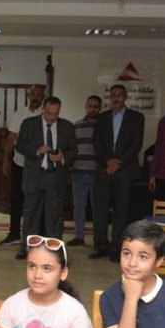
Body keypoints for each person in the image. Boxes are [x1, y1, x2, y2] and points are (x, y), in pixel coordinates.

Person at [15, 95, 76, 255]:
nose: (52, 117)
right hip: (34, 176)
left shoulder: (67, 126)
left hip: (55, 177)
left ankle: (54, 249)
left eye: (56, 113)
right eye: (49, 113)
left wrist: (63, 157)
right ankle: (27, 248)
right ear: (43, 109)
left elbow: (73, 150)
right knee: (30, 213)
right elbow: (20, 145)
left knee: (55, 215)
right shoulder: (29, 124)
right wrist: (37, 150)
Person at [91, 84, 145, 261]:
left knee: (122, 212)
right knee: (100, 211)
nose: (116, 98)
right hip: (104, 169)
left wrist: (118, 162)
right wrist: (108, 161)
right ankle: (100, 246)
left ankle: (116, 249)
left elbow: (136, 144)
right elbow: (96, 143)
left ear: (125, 96)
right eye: (113, 95)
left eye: (119, 95)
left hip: (125, 171)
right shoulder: (101, 118)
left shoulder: (136, 117)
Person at [0, 84, 45, 248]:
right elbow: (11, 138)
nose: (35, 97)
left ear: (43, 96)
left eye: (38, 95)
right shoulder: (20, 113)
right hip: (19, 162)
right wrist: (6, 160)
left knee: (36, 200)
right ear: (28, 95)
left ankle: (35, 236)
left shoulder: (45, 114)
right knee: (16, 198)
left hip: (38, 165)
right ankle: (14, 233)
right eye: (32, 94)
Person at [68, 95, 101, 247]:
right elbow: (72, 148)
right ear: (86, 107)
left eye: (95, 106)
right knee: (79, 206)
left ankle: (98, 238)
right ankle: (79, 236)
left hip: (97, 173)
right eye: (90, 106)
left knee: (97, 208)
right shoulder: (77, 125)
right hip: (78, 171)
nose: (92, 109)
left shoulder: (103, 125)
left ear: (99, 108)